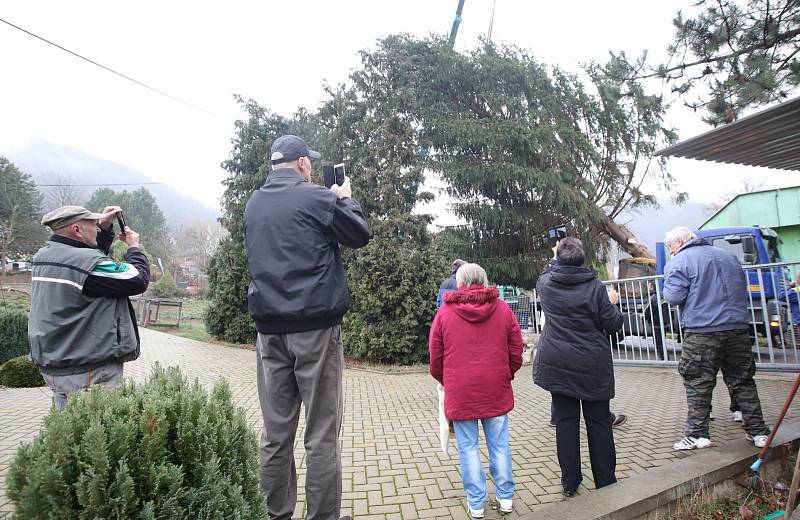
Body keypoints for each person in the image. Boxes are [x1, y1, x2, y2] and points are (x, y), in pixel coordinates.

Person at [244, 135, 371, 520]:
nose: (311, 167)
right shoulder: (316, 197)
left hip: (269, 333)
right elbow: (359, 234)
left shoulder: (254, 204)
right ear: (301, 164)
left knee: (275, 434)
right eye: (309, 162)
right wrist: (345, 197)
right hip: (314, 330)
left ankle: (276, 514)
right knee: (320, 434)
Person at [28, 205, 149, 411]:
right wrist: (134, 248)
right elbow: (137, 279)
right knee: (99, 434)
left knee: (67, 427)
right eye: (93, 225)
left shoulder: (44, 256)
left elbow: (86, 269)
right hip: (87, 370)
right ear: (76, 230)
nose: (99, 229)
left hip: (57, 364)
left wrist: (104, 226)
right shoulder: (85, 263)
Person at [662, 226, 770, 451]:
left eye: (670, 245)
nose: (670, 249)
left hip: (703, 330)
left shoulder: (680, 261)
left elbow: (673, 296)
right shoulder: (728, 257)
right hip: (737, 328)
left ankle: (697, 435)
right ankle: (758, 432)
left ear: (679, 242)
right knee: (742, 381)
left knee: (697, 382)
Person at [429, 262, 523, 519]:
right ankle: (505, 498)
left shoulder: (444, 313)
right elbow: (516, 350)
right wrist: (507, 374)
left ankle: (477, 503)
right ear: (483, 280)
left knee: (468, 447)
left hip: (461, 392)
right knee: (500, 445)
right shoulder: (502, 309)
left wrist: (446, 381)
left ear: (459, 283)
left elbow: (435, 358)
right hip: (495, 388)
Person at [533, 237, 623, 497]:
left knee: (565, 422)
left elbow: (546, 270)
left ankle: (570, 482)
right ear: (582, 259)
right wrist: (613, 302)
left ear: (558, 259)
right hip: (591, 364)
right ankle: (605, 482)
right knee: (599, 423)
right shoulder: (596, 288)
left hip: (558, 363)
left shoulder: (546, 284)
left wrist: (554, 256)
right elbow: (613, 324)